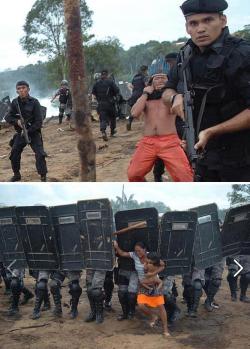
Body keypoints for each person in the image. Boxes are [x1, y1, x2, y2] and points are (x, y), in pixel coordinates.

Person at [163, 0, 250, 181]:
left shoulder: (242, 54)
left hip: (241, 158)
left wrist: (212, 131)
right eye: (193, 23)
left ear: (223, 20)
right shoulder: (185, 55)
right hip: (202, 156)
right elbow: (166, 90)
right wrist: (174, 98)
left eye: (208, 20)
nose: (200, 29)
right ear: (187, 28)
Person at [127, 73, 194, 182]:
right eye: (157, 78)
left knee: (185, 177)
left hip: (170, 142)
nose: (160, 80)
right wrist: (145, 93)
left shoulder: (171, 98)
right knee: (133, 174)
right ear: (151, 82)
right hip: (147, 142)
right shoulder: (145, 99)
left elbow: (179, 109)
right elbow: (134, 113)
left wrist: (172, 94)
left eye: (163, 78)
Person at [5, 81, 48, 182]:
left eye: (23, 88)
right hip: (21, 133)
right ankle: (16, 174)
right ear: (16, 91)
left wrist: (28, 130)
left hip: (33, 132)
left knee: (40, 154)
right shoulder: (15, 102)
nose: (21, 90)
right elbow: (7, 116)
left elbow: (39, 122)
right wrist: (17, 121)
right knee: (14, 153)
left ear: (28, 89)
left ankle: (43, 176)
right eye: (19, 88)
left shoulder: (35, 102)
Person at [92, 70, 120, 141]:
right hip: (110, 103)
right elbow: (117, 91)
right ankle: (112, 131)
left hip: (101, 104)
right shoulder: (111, 82)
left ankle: (103, 131)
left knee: (103, 119)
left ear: (101, 75)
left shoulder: (96, 84)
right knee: (112, 117)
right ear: (107, 75)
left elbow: (93, 94)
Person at [127, 65, 148, 131]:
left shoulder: (135, 77)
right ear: (145, 70)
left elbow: (132, 86)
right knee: (147, 108)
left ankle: (129, 121)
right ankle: (148, 124)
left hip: (134, 95)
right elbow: (146, 84)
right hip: (141, 95)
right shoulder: (144, 76)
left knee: (135, 109)